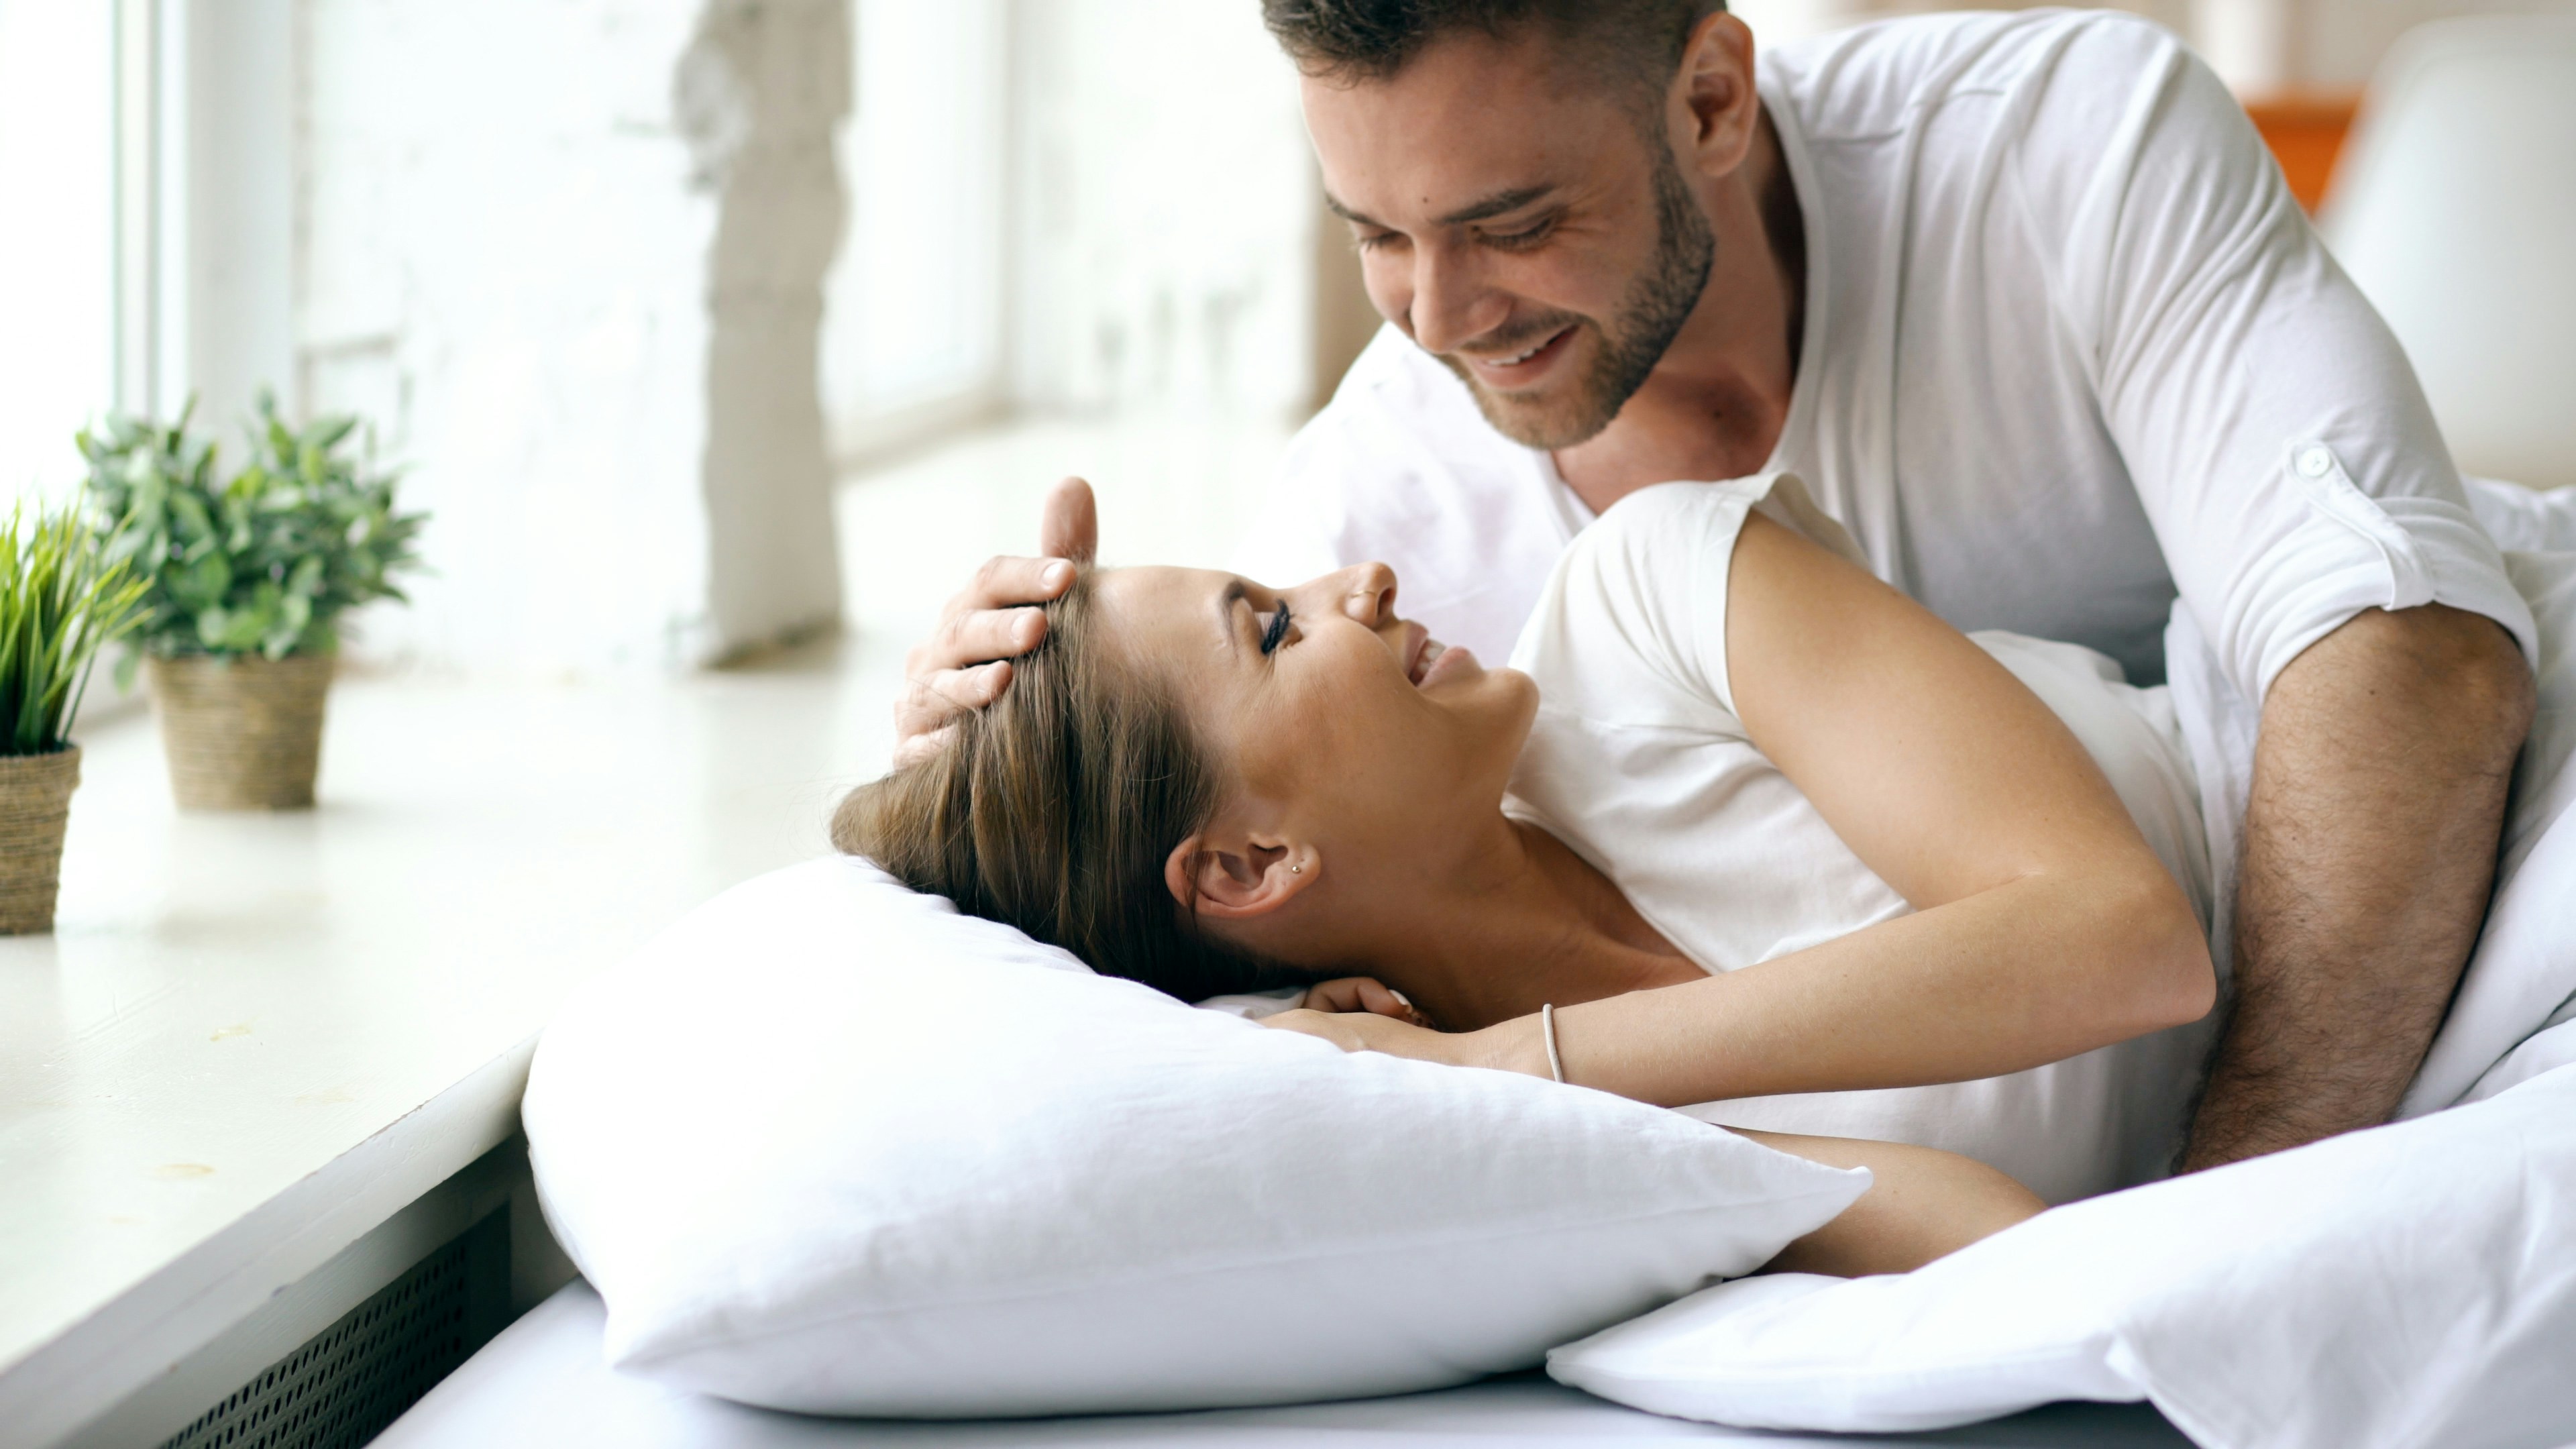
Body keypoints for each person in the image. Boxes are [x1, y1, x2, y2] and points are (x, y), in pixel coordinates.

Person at [896, 1, 2541, 1172]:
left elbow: (2409, 662)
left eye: (1513, 222)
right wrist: (966, 776)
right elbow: (1202, 903)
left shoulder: (2062, 145)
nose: (1438, 317)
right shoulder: (1378, 507)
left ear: (1709, 100)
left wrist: (2238, 1218)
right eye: (1374, 237)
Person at [847, 472, 2238, 1224]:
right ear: (1250, 870)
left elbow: (2125, 943)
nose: (1360, 579)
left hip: (2389, 810)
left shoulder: (1649, 605)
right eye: (1275, 625)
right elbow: (1999, 1238)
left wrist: (1513, 1058)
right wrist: (1527, 1110)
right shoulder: (1508, 1148)